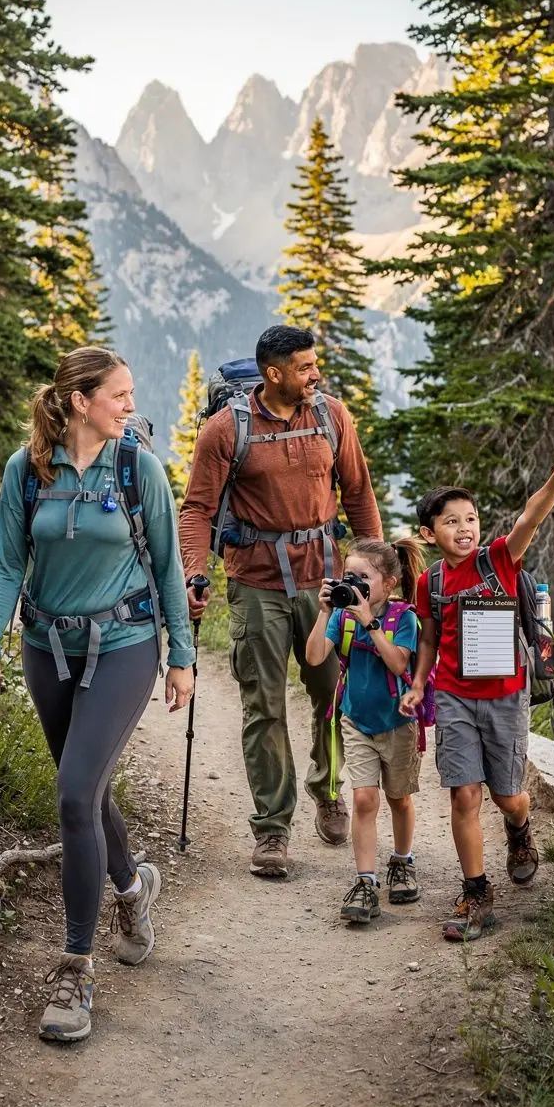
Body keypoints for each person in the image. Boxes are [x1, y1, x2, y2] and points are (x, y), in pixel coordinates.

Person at [0, 347, 195, 1041]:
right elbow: (9, 563)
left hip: (125, 647)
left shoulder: (137, 467)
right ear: (80, 401)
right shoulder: (26, 469)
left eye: (130, 394)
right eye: (119, 395)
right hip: (46, 648)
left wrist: (181, 657)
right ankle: (131, 891)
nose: (131, 406)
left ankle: (75, 967)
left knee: (73, 794)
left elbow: (168, 566)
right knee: (88, 791)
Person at [179, 325, 383, 879]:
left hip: (326, 581)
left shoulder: (331, 417)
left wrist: (379, 573)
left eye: (315, 365)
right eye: (305, 367)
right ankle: (272, 829)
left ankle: (329, 789)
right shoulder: (226, 431)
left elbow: (359, 493)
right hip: (256, 583)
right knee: (263, 705)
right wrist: (195, 573)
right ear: (273, 374)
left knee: (333, 694)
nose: (316, 374)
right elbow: (196, 509)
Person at [400, 445, 554, 941]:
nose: (464, 528)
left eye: (471, 518)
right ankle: (476, 893)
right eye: (451, 522)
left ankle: (519, 829)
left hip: (507, 698)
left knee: (508, 796)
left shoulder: (500, 559)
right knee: (464, 794)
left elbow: (532, 515)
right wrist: (420, 683)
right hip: (454, 697)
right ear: (429, 533)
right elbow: (427, 636)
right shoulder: (432, 581)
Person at [305, 538, 425, 924]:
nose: (353, 584)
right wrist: (324, 613)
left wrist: (370, 624)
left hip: (398, 725)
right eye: (348, 576)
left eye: (363, 578)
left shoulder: (403, 617)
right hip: (355, 722)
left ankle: (402, 861)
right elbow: (313, 657)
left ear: (388, 584)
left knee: (399, 798)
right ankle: (365, 880)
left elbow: (397, 664)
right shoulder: (340, 617)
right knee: (364, 801)